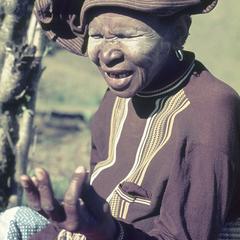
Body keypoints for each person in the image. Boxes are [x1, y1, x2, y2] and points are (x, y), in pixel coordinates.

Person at [1, 0, 240, 239]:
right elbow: (100, 201)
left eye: (125, 36)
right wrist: (67, 217)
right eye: (96, 35)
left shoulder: (209, 111)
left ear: (179, 32)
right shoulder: (116, 100)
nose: (108, 54)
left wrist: (108, 232)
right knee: (11, 222)